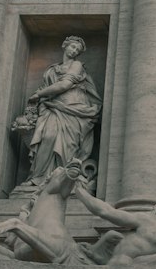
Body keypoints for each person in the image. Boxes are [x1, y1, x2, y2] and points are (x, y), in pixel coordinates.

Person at [15, 37, 101, 192]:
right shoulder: (52, 69)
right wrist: (38, 98)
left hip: (73, 107)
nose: (74, 51)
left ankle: (65, 179)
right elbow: (47, 87)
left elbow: (65, 84)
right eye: (73, 47)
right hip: (52, 107)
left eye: (77, 50)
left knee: (68, 144)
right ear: (65, 46)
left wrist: (39, 94)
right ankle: (38, 178)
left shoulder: (77, 65)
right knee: (47, 137)